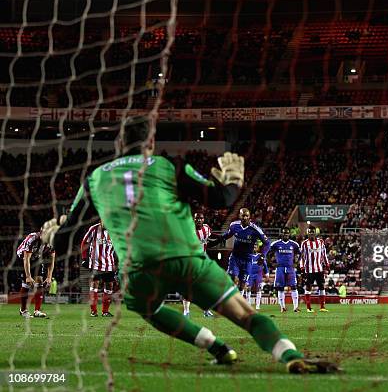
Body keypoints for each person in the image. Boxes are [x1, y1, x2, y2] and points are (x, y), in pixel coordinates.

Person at [44, 117, 338, 373]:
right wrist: (234, 181)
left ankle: (216, 347)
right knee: (247, 316)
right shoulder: (167, 165)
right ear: (150, 142)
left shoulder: (94, 179)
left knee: (147, 308)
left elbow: (65, 239)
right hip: (189, 261)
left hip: (140, 271)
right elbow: (221, 200)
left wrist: (51, 234)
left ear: (119, 144)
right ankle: (290, 355)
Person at [215, 208, 270, 295]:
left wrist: (263, 255)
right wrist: (219, 239)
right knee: (233, 277)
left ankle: (239, 299)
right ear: (239, 216)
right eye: (243, 215)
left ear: (249, 217)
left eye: (246, 216)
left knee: (242, 284)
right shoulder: (234, 225)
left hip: (247, 259)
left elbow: (267, 243)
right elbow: (228, 234)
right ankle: (230, 298)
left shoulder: (255, 230)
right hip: (235, 257)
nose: (244, 217)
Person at [81, 221, 117, 317]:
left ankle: (105, 311)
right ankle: (93, 311)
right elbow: (84, 242)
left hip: (109, 264)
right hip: (95, 264)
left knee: (109, 286)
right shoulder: (94, 229)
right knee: (94, 284)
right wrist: (84, 258)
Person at [16, 230, 55, 318]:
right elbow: (26, 259)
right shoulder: (32, 239)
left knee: (40, 281)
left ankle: (37, 310)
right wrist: (28, 276)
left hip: (36, 257)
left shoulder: (51, 243)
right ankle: (23, 310)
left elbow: (51, 261)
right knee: (27, 283)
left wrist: (49, 277)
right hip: (23, 257)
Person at [183, 212, 214, 318]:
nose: (199, 220)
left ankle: (206, 310)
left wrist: (222, 238)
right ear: (194, 219)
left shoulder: (207, 228)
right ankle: (186, 311)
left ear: (204, 219)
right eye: (197, 218)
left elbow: (210, 239)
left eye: (201, 218)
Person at [268, 227, 301, 312]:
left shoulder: (294, 244)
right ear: (281, 234)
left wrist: (296, 263)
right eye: (284, 233)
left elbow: (300, 253)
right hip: (280, 268)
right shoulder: (276, 244)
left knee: (294, 286)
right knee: (280, 287)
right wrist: (271, 263)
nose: (286, 235)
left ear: (289, 234)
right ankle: (282, 307)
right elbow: (268, 253)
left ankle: (295, 307)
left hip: (290, 268)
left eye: (287, 233)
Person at [300, 227, 330, 313]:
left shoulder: (320, 242)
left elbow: (324, 254)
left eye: (313, 233)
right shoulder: (304, 243)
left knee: (322, 286)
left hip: (319, 269)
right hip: (309, 270)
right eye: (310, 233)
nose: (311, 235)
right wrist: (302, 268)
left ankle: (322, 307)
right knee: (308, 287)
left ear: (315, 233)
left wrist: (327, 265)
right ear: (308, 233)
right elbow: (301, 257)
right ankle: (308, 307)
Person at [246, 242, 269, 310]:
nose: (254, 247)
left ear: (258, 248)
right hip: (250, 275)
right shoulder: (248, 256)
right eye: (253, 246)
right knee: (248, 288)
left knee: (258, 289)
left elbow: (265, 266)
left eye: (256, 246)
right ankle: (248, 304)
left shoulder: (260, 256)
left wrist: (267, 274)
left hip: (258, 274)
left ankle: (257, 306)